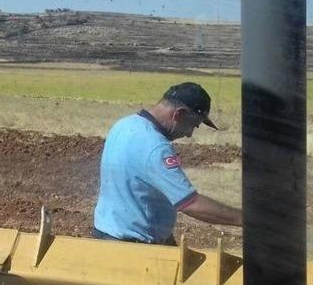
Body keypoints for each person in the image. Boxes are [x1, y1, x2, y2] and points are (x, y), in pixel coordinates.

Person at [92, 82, 242, 245]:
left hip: (104, 237)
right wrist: (246, 219)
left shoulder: (124, 125)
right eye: (193, 125)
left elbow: (140, 192)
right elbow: (190, 203)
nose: (189, 133)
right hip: (133, 249)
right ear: (179, 114)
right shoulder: (155, 146)